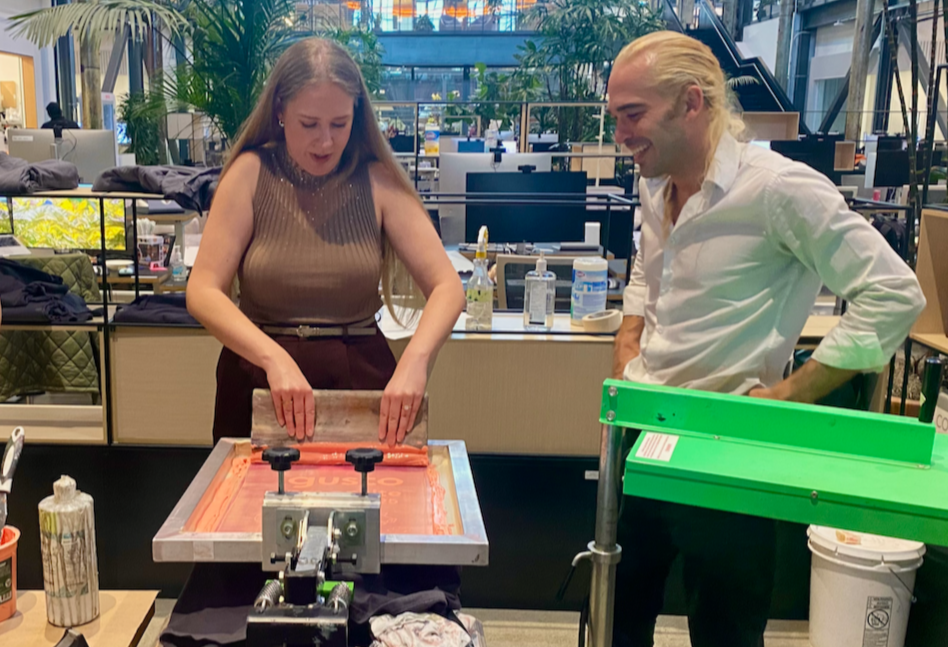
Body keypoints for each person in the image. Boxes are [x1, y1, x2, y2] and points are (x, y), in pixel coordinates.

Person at [608, 31, 925, 647]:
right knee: (617, 613)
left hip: (731, 449)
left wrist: (786, 398)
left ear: (691, 103)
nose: (621, 133)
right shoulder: (655, 182)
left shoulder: (778, 189)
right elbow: (650, 270)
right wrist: (628, 341)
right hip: (644, 436)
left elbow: (894, 294)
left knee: (725, 631)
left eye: (633, 114)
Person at [166, 38, 465, 645]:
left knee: (370, 567)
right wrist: (274, 357)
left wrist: (413, 362)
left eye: (339, 123)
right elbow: (204, 291)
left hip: (361, 380)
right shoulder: (252, 174)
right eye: (309, 124)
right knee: (250, 563)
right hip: (259, 383)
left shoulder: (378, 181)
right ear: (279, 112)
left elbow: (446, 288)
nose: (325, 141)